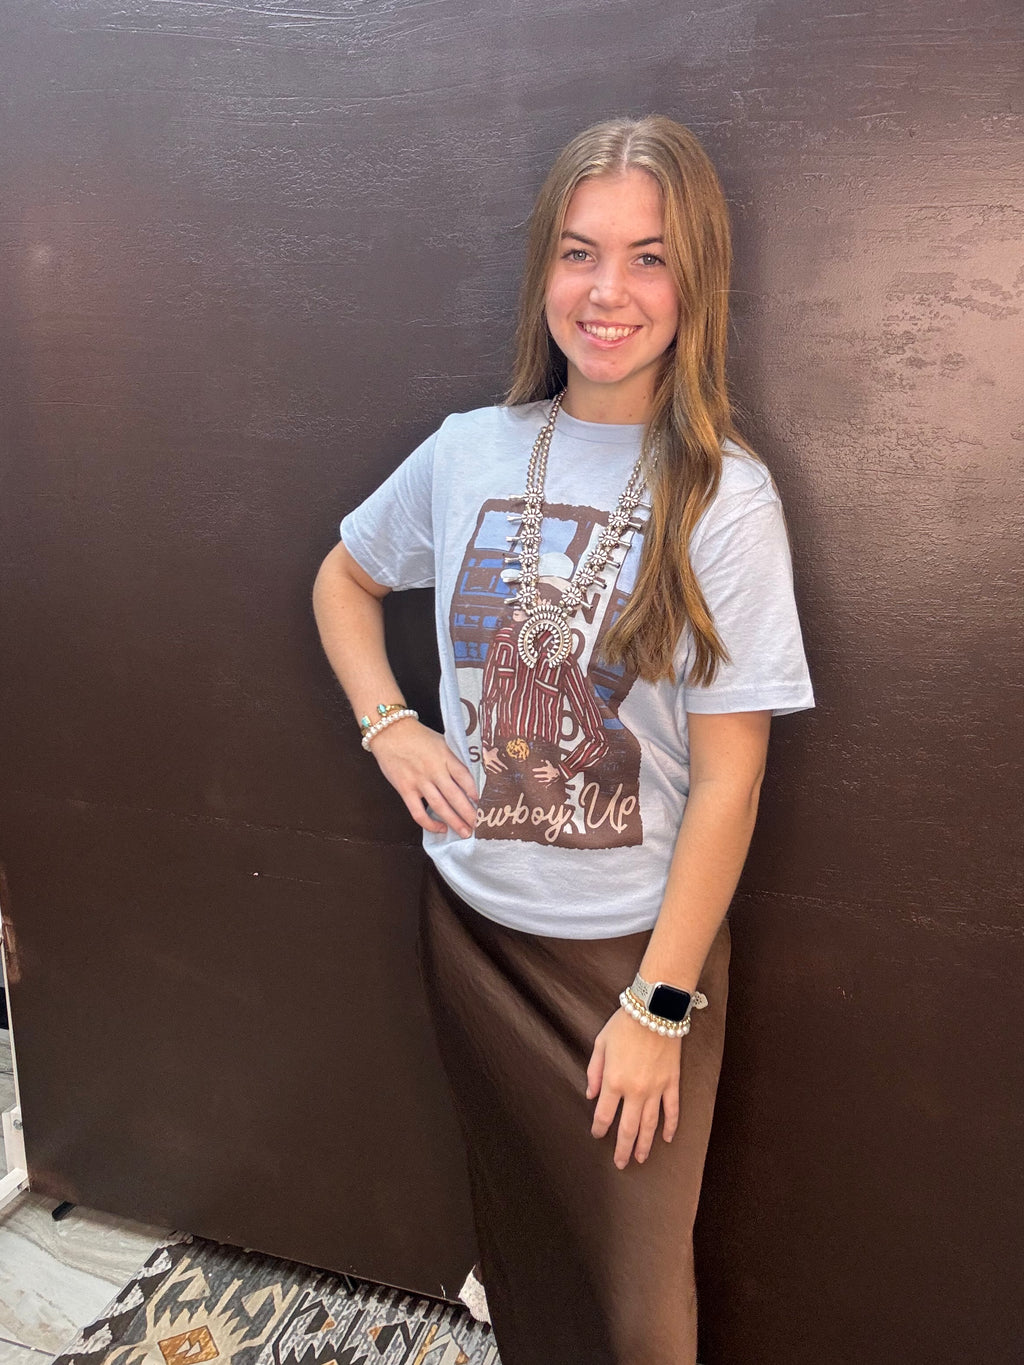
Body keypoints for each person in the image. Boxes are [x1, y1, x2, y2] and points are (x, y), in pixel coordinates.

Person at [312, 114, 814, 1365]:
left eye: (649, 258)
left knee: (639, 1303)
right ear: (544, 266)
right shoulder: (467, 450)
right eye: (580, 252)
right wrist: (389, 725)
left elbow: (730, 782)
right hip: (472, 926)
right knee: (524, 1241)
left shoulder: (724, 495)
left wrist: (658, 1002)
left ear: (695, 282)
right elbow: (342, 579)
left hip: (628, 961)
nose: (607, 292)